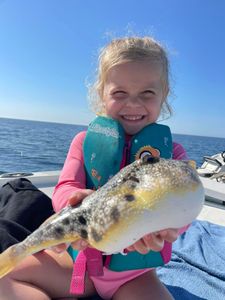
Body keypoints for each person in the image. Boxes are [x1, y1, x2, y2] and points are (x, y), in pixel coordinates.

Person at [0, 36, 189, 300]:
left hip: (134, 276)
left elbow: (184, 207)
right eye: (120, 93)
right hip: (77, 265)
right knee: (3, 278)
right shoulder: (82, 143)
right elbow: (64, 187)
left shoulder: (173, 156)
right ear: (102, 94)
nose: (133, 104)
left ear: (164, 95)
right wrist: (75, 199)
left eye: (147, 93)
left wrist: (167, 230)